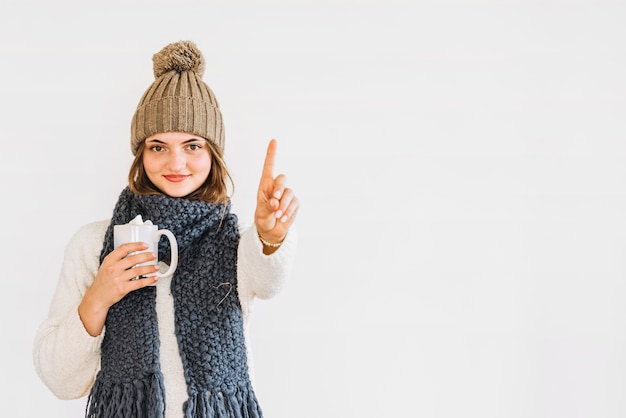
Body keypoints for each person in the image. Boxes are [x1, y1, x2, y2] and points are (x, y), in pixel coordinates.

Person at [33, 40, 299, 418]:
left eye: (193, 145)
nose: (176, 162)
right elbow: (60, 381)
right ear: (141, 153)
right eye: (158, 146)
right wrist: (99, 296)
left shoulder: (235, 244)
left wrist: (271, 236)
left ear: (213, 154)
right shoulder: (93, 245)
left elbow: (270, 281)